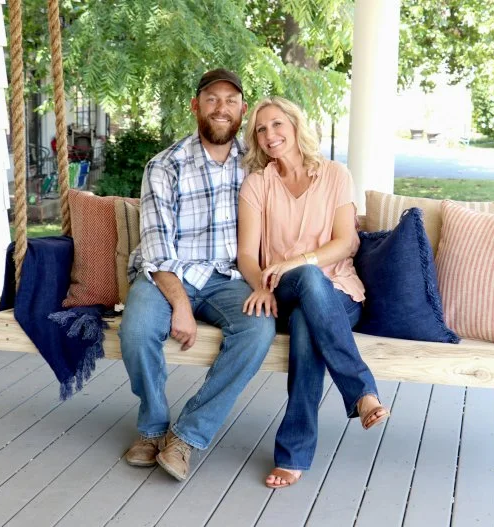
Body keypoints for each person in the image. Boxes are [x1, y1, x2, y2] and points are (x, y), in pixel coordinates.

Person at [119, 69, 276, 482]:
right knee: (136, 332)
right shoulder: (164, 165)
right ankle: (152, 430)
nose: (220, 108)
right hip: (169, 274)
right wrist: (181, 303)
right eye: (211, 99)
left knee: (259, 329)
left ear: (243, 110)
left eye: (230, 100)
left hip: (229, 277)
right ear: (195, 106)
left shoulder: (257, 165)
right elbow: (156, 247)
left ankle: (186, 436)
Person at [237, 96, 390, 489]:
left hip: (339, 293)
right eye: (261, 129)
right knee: (306, 281)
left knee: (309, 316)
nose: (270, 135)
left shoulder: (336, 174)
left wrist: (298, 259)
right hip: (284, 289)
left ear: (294, 125)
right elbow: (246, 255)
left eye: (277, 125)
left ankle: (293, 455)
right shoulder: (257, 184)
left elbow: (346, 244)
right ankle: (361, 392)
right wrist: (263, 287)